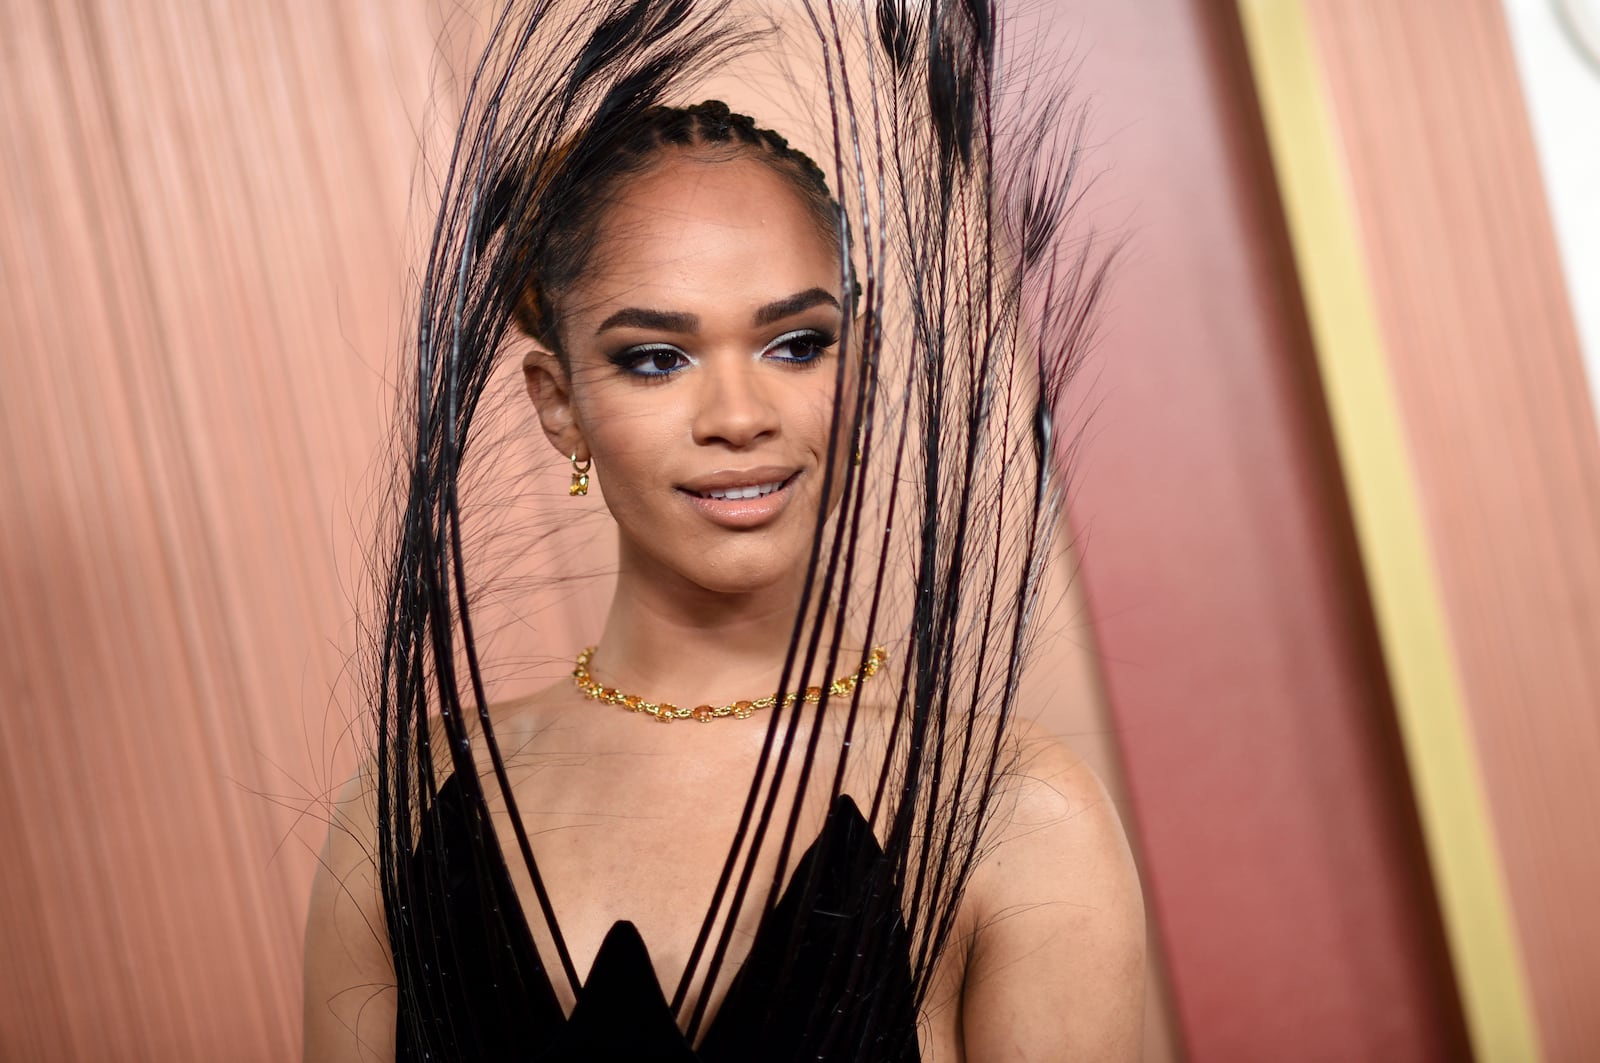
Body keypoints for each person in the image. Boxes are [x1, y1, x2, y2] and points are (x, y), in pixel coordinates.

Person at [303, 2, 1144, 1060]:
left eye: (796, 344)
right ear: (558, 403)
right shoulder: (405, 807)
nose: (741, 416)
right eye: (655, 357)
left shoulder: (1012, 811)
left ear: (858, 368)